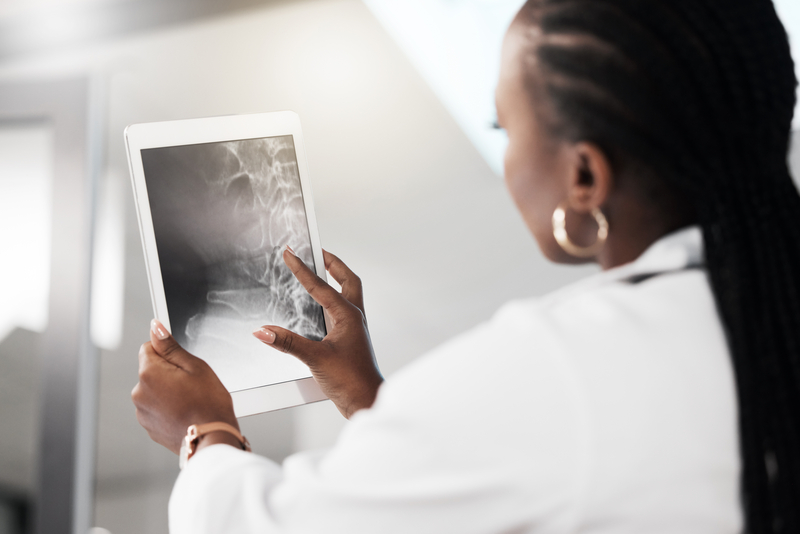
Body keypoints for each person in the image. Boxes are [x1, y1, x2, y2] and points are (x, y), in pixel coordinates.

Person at [132, 0, 800, 532]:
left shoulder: (566, 361)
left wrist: (203, 432)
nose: (507, 159)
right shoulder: (764, 315)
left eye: (503, 129)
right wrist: (367, 396)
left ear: (586, 174)